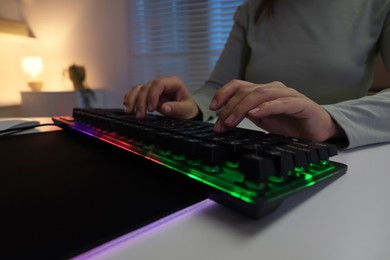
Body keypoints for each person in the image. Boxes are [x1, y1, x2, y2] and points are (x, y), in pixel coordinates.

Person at [123, 0, 390, 149]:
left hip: (337, 156)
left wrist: (330, 121)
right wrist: (191, 106)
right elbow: (216, 88)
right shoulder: (253, 9)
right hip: (254, 149)